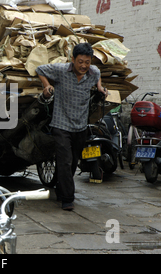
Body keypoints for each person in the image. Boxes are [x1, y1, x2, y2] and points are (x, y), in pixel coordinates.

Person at [36, 43, 107, 211]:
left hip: (80, 125)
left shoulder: (93, 72)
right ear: (72, 59)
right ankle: (68, 199)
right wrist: (46, 86)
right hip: (61, 124)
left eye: (87, 62)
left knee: (74, 161)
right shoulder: (61, 70)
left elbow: (98, 75)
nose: (83, 66)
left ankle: (62, 188)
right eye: (80, 61)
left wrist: (99, 87)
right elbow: (40, 69)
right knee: (65, 161)